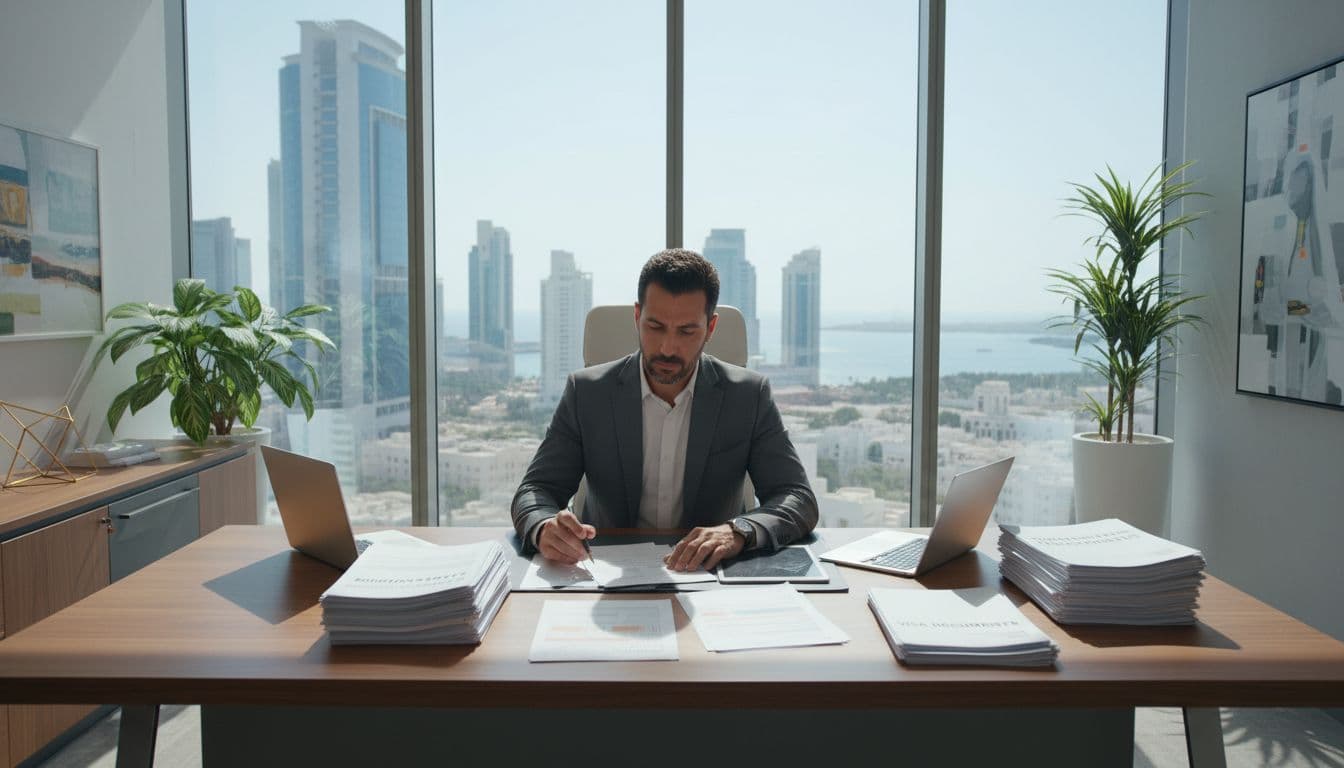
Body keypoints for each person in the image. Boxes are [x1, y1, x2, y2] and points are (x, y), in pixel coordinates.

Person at [511, 248, 818, 572]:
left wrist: (738, 531)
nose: (668, 348)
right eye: (655, 327)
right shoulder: (587, 393)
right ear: (637, 317)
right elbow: (535, 491)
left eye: (687, 331)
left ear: (710, 328)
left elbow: (797, 497)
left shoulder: (748, 396)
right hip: (603, 570)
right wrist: (544, 527)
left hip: (708, 577)